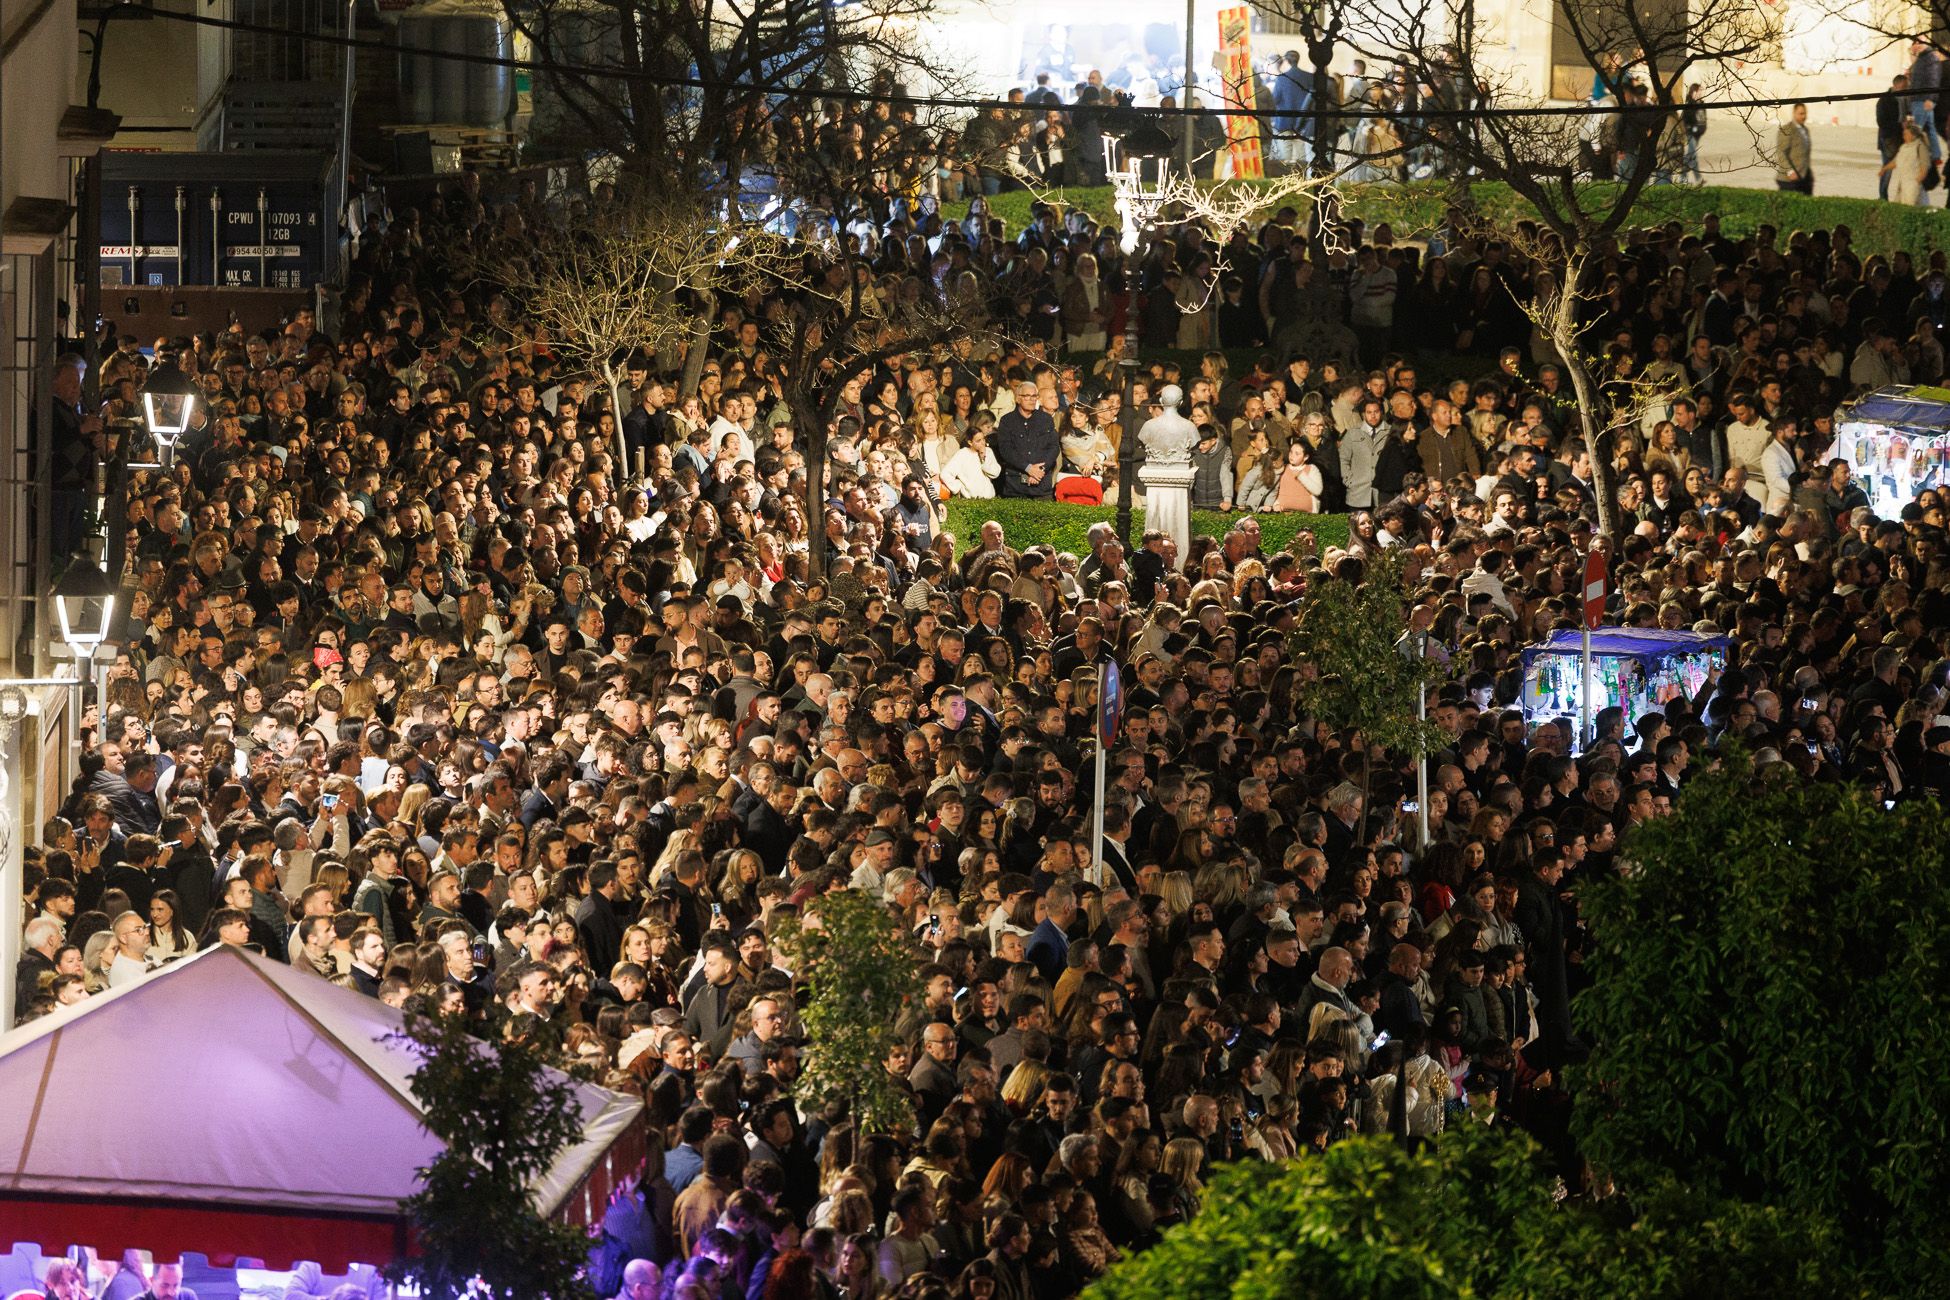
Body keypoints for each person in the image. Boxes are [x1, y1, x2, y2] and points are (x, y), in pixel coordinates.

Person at [1775, 102, 1813, 194]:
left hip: (1804, 178)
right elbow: (1781, 152)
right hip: (1789, 179)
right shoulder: (1787, 130)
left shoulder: (1805, 130)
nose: (1803, 116)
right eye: (1801, 114)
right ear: (1794, 113)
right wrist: (1790, 171)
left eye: (1805, 113)